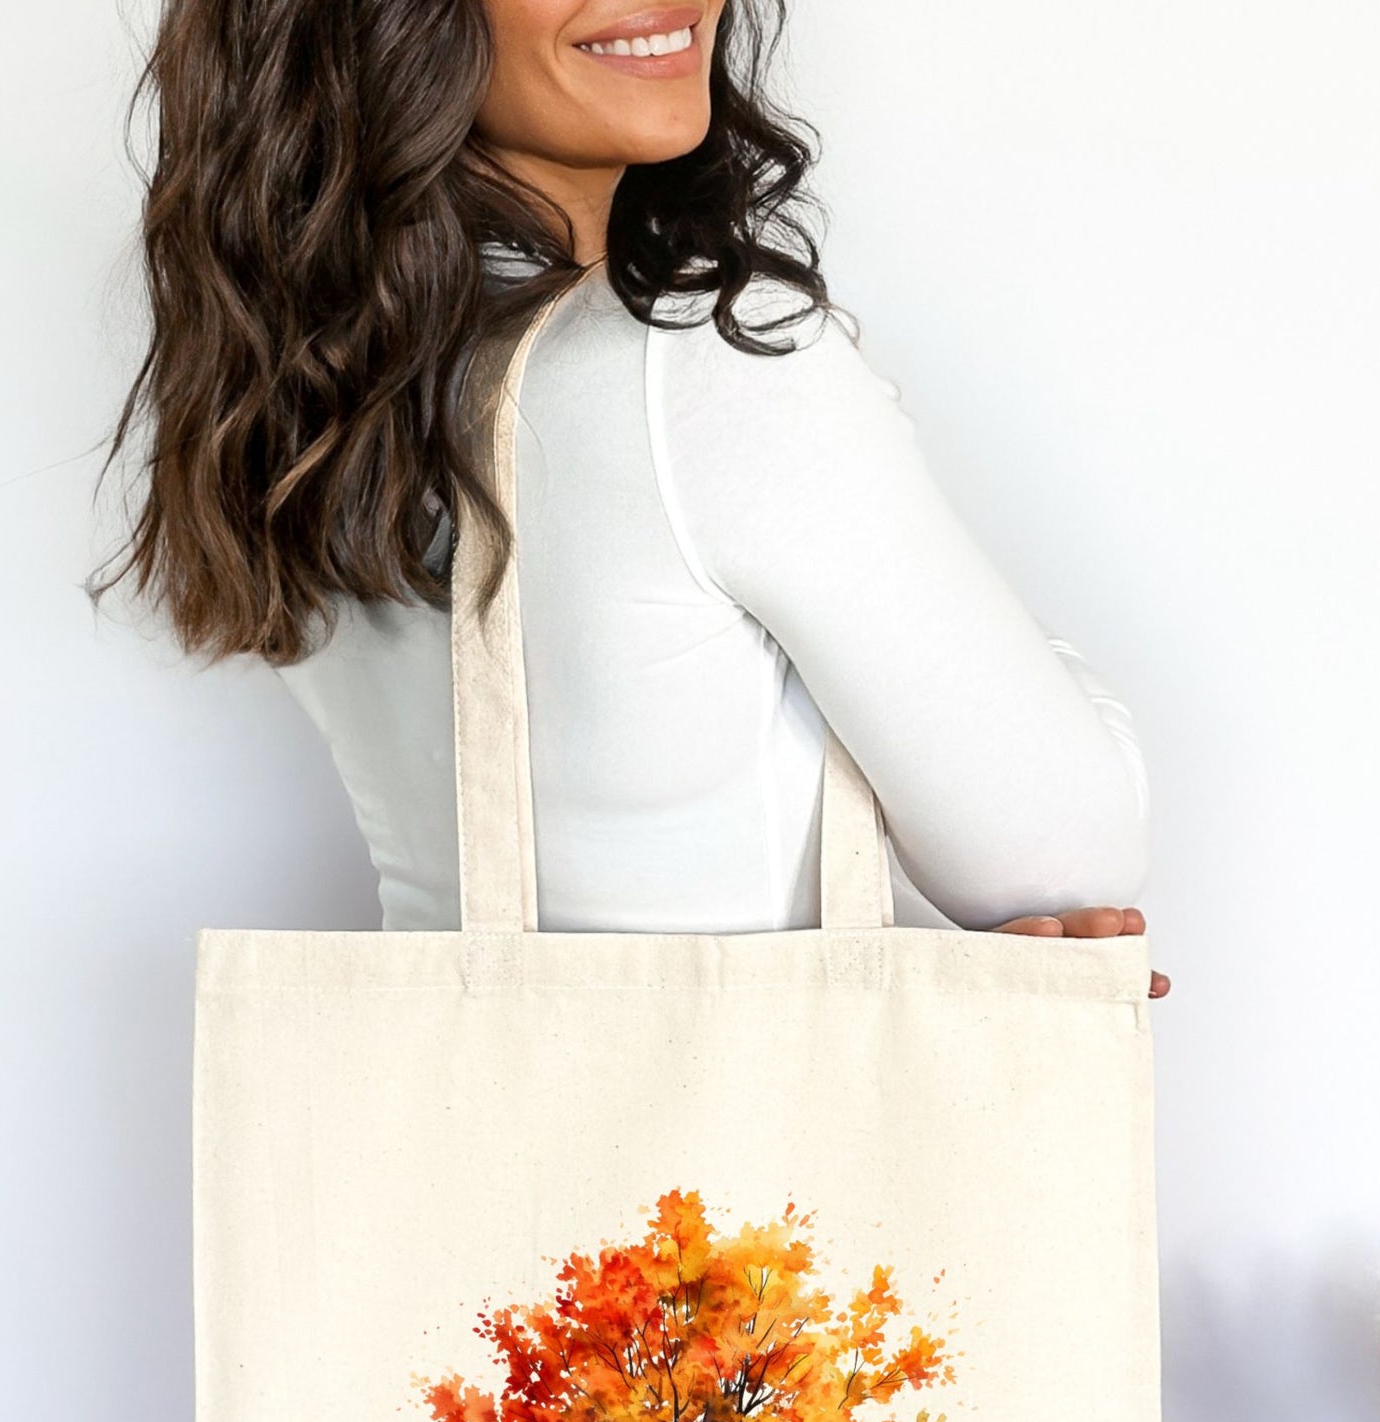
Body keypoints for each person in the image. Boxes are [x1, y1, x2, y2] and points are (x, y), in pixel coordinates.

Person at [96, 0, 1169, 995]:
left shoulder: (316, 396)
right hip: (745, 1182)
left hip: (478, 1171)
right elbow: (1067, 848)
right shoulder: (699, 368)